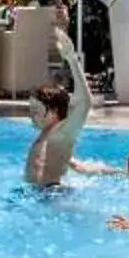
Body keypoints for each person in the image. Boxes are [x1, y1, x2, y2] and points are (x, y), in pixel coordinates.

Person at [22, 35, 92, 188]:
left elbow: (85, 102)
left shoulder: (63, 132)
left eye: (36, 110)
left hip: (52, 194)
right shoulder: (47, 132)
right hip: (37, 193)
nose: (31, 116)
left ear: (53, 112)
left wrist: (72, 59)